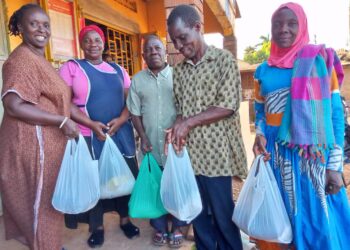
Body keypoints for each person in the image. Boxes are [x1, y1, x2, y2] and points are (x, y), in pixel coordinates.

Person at [253, 2, 350, 250]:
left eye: (291, 23)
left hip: (312, 159)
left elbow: (336, 117)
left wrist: (335, 166)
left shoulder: (319, 63)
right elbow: (260, 112)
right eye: (277, 24)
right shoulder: (263, 70)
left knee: (316, 222)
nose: (283, 29)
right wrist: (260, 135)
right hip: (276, 157)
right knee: (280, 220)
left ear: (303, 26)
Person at [165, 5, 247, 250]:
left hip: (218, 157)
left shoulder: (223, 60)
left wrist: (189, 122)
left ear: (198, 28)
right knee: (198, 215)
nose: (179, 46)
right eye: (174, 41)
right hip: (190, 157)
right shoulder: (178, 72)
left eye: (182, 37)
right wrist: (176, 129)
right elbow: (181, 111)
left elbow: (228, 105)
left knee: (223, 216)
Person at [0, 4, 79, 250]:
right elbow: (13, 105)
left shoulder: (37, 58)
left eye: (45, 24)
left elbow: (58, 102)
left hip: (46, 146)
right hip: (34, 148)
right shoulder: (21, 60)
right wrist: (62, 121)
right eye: (34, 24)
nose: (42, 29)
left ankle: (49, 244)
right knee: (41, 204)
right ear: (20, 28)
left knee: (48, 204)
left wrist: (82, 122)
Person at [59, 25, 139, 248]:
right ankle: (97, 227)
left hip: (119, 133)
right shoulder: (72, 68)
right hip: (88, 134)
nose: (93, 44)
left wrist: (122, 120)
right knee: (93, 181)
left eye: (97, 39)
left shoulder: (118, 69)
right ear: (81, 44)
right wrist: (91, 125)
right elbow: (65, 104)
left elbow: (130, 102)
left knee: (122, 178)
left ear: (103, 43)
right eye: (88, 40)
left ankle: (125, 219)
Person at [126, 34, 187, 248]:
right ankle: (160, 228)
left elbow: (186, 108)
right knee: (156, 188)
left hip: (176, 145)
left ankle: (178, 227)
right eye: (149, 49)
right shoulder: (138, 80)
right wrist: (142, 137)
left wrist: (180, 130)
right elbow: (134, 112)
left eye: (157, 48)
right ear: (143, 55)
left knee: (177, 186)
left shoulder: (178, 76)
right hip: (150, 145)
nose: (154, 52)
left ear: (165, 52)